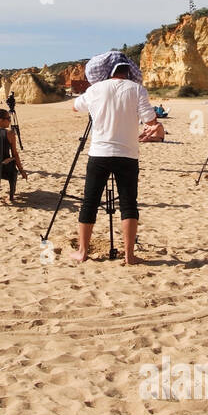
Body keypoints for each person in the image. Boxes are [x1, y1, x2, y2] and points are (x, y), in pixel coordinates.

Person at [71, 60, 157, 264]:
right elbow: (150, 120)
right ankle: (129, 255)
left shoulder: (96, 89)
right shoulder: (137, 89)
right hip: (127, 154)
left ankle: (82, 252)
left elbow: (75, 107)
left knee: (89, 202)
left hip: (99, 153)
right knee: (129, 204)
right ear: (129, 73)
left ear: (109, 72)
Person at [0, 109, 28, 203]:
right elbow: (15, 153)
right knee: (13, 172)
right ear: (1, 120)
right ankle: (11, 195)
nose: (10, 121)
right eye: (8, 118)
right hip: (4, 167)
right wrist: (21, 170)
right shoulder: (9, 133)